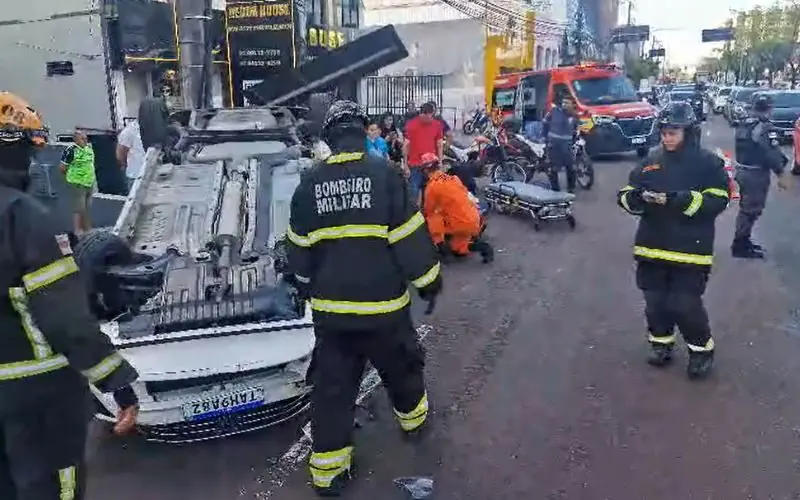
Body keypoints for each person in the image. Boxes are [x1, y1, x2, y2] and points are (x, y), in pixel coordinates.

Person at [286, 100, 442, 496]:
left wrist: (306, 287)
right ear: (362, 130)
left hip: (333, 316)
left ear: (330, 138)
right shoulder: (384, 175)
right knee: (403, 368)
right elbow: (409, 238)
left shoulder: (309, 184)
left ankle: (329, 475)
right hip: (384, 310)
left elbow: (299, 252)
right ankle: (414, 424)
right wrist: (428, 281)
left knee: (333, 390)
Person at [0, 92, 139, 500]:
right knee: (51, 487)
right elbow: (64, 317)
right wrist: (118, 381)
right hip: (37, 395)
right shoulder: (23, 218)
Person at [616, 101, 729, 380]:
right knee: (655, 302)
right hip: (651, 246)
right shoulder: (650, 161)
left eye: (674, 132)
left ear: (689, 132)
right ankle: (661, 345)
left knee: (684, 304)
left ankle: (702, 352)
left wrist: (681, 200)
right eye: (664, 131)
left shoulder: (709, 163)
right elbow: (627, 192)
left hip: (691, 251)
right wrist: (633, 198)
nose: (667, 137)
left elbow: (720, 199)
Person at [732, 93, 790, 259]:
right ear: (769, 109)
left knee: (747, 209)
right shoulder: (764, 127)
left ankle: (743, 240)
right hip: (756, 174)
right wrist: (781, 173)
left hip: (743, 171)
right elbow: (771, 153)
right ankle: (740, 245)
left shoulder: (745, 123)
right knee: (751, 210)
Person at [419, 153, 493, 263]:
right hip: (474, 218)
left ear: (425, 171)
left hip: (460, 223)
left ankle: (442, 249)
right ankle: (483, 247)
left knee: (432, 218)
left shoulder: (432, 187)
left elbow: (428, 210)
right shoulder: (454, 179)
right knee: (458, 249)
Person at [403, 102, 445, 205]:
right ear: (423, 114)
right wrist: (405, 165)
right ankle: (415, 214)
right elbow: (406, 145)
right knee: (414, 192)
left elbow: (439, 144)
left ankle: (427, 214)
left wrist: (440, 161)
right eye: (429, 116)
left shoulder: (437, 125)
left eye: (432, 116)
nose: (431, 119)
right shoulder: (411, 125)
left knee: (430, 192)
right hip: (415, 163)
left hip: (431, 164)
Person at [58, 129, 96, 236]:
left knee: (87, 207)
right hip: (77, 183)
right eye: (82, 138)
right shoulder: (71, 150)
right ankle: (78, 230)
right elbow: (62, 167)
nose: (85, 140)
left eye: (85, 138)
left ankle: (87, 229)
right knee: (79, 208)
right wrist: (72, 177)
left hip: (89, 182)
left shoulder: (89, 149)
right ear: (76, 140)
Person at [542, 93, 578, 192]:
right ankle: (555, 190)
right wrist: (545, 138)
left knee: (571, 168)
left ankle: (571, 189)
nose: (564, 104)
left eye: (567, 103)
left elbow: (575, 131)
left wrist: (573, 142)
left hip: (567, 146)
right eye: (563, 102)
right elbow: (545, 123)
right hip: (554, 145)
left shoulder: (574, 116)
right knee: (553, 168)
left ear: (572, 104)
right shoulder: (554, 112)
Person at [116, 119, 145, 191]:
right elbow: (120, 151)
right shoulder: (130, 130)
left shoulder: (156, 127)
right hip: (135, 176)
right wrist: (124, 165)